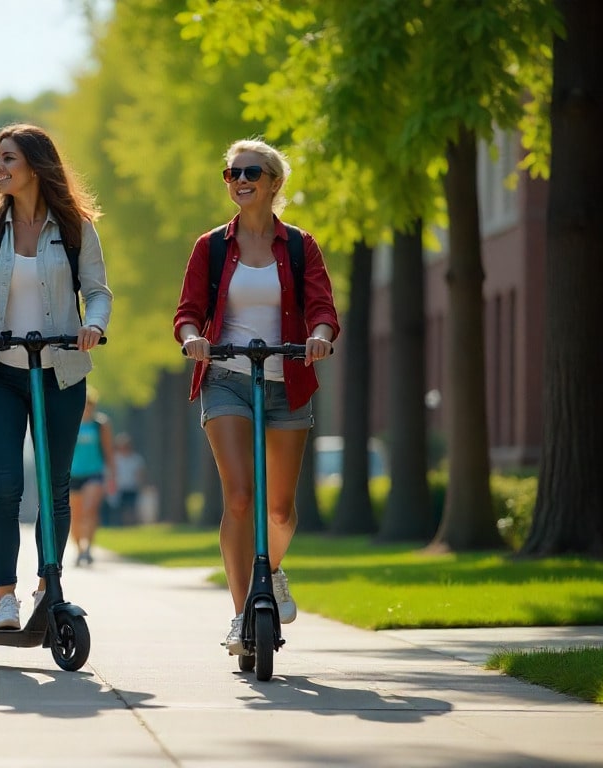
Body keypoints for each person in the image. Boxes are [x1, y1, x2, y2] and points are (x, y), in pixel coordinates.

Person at [172, 137, 338, 655]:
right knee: (241, 498)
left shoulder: (299, 246)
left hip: (287, 380)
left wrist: (321, 337)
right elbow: (187, 312)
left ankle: (273, 569)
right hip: (225, 377)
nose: (239, 180)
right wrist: (193, 338)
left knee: (282, 511)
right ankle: (242, 613)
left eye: (250, 172)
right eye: (231, 173)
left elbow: (323, 308)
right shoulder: (212, 247)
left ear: (273, 183)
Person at [0, 123, 112, 631]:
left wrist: (92, 324)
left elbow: (99, 290)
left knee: (56, 486)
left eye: (8, 159)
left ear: (36, 165)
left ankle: (49, 584)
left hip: (59, 369)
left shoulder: (75, 227)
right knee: (4, 485)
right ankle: (5, 597)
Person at [68, 387, 113, 565]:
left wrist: (112, 475)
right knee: (76, 515)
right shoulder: (70, 422)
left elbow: (109, 451)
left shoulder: (100, 424)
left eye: (90, 403)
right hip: (73, 474)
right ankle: (79, 549)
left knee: (90, 510)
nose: (87, 407)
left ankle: (88, 549)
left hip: (94, 472)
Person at [110, 432, 146, 526]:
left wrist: (140, 486)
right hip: (119, 488)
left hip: (132, 487)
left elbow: (140, 475)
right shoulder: (115, 459)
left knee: (131, 509)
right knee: (120, 509)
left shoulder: (136, 459)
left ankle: (130, 525)